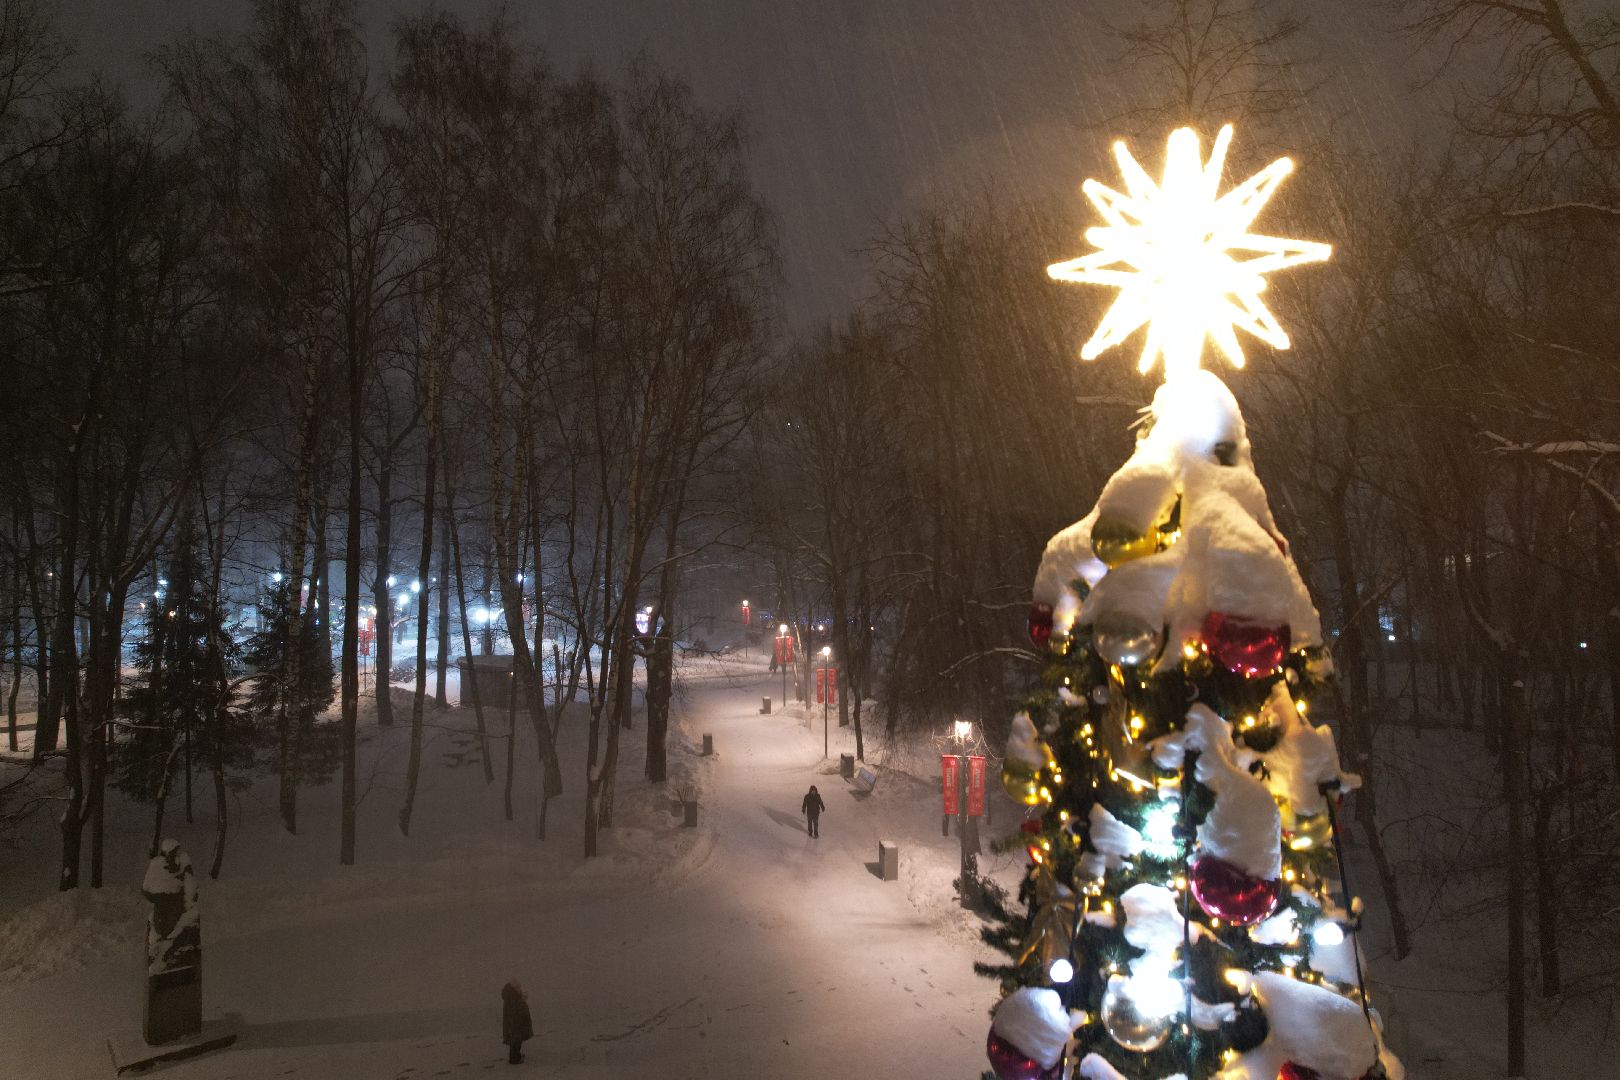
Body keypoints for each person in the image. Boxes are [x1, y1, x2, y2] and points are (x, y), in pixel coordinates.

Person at [501, 979, 533, 1065]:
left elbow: (518, 1007)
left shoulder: (513, 995)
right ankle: (514, 1059)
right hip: (515, 1023)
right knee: (515, 1041)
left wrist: (522, 998)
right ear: (514, 987)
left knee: (518, 1040)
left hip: (517, 1022)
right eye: (518, 987)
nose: (520, 988)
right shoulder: (511, 996)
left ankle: (517, 1055)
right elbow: (515, 1010)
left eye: (520, 987)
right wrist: (522, 999)